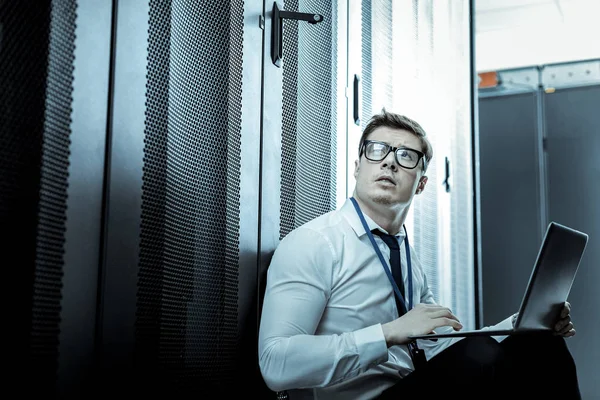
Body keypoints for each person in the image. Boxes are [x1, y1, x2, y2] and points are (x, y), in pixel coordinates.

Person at [258, 109, 581, 399]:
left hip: (414, 386)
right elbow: (276, 365)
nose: (389, 161)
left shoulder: (406, 256)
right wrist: (387, 333)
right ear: (357, 168)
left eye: (406, 156)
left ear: (422, 183)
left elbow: (439, 348)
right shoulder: (314, 242)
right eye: (376, 150)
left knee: (540, 344)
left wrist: (521, 324)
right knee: (480, 356)